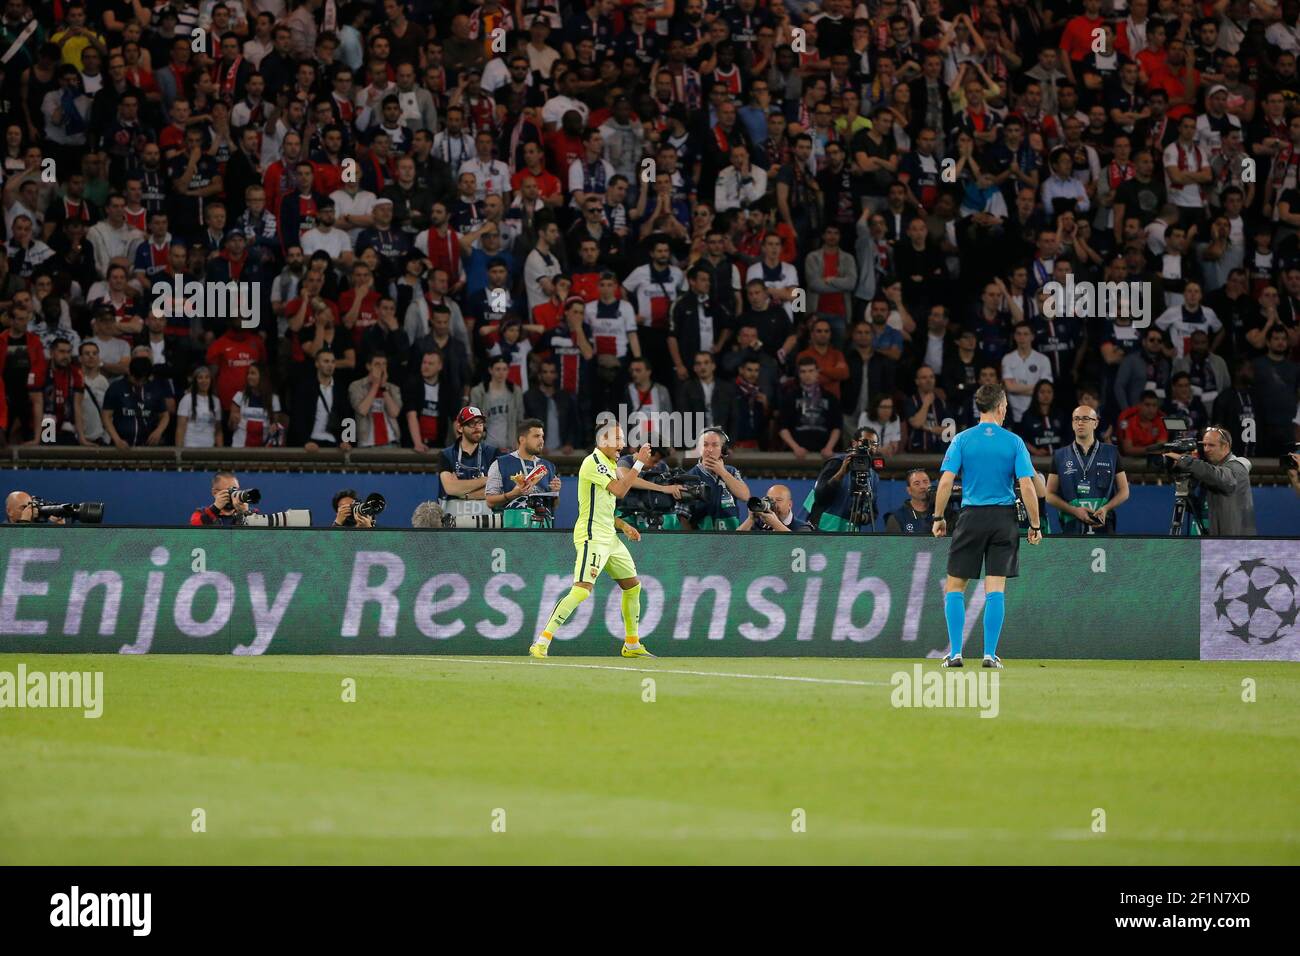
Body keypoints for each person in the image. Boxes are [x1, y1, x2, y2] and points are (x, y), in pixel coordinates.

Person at [931, 384, 1042, 670]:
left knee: (955, 586)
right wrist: (1035, 523)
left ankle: (955, 653)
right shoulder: (1014, 441)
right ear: (1001, 406)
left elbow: (945, 482)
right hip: (1003, 519)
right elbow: (1027, 485)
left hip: (971, 517)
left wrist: (938, 517)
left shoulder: (962, 440)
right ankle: (989, 656)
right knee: (996, 588)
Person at [529, 422, 655, 660]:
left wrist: (623, 525)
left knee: (632, 586)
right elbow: (620, 490)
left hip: (609, 534)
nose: (621, 444)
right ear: (602, 441)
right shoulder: (592, 462)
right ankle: (542, 642)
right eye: (617, 439)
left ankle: (631, 643)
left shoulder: (610, 463)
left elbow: (605, 505)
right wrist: (638, 462)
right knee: (582, 590)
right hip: (592, 536)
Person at [1047, 406, 1129, 535]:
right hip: (1071, 525)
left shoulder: (1111, 452)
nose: (1080, 422)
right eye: (1076, 419)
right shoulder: (1060, 455)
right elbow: (1049, 495)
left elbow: (1124, 491)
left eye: (1085, 419)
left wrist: (1106, 508)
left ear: (1095, 423)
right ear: (1072, 424)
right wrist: (1074, 510)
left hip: (1103, 523)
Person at [1163, 427, 1258, 535]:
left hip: (1233, 542)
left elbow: (1224, 480)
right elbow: (1198, 507)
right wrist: (1180, 478)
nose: (1206, 449)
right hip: (1207, 536)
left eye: (1211, 445)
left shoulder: (1237, 466)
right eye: (1204, 445)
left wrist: (1185, 461)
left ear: (1225, 446)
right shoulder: (1209, 470)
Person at [484, 418, 562, 527]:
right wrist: (513, 494)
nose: (542, 441)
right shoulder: (500, 464)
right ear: (522, 439)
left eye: (542, 436)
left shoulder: (548, 467)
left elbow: (554, 505)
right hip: (512, 532)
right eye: (536, 436)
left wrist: (556, 493)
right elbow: (490, 501)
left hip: (543, 532)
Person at [673, 426, 751, 531]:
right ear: (699, 449)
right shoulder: (690, 477)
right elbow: (682, 517)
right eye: (705, 445)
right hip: (703, 542)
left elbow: (745, 496)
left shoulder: (731, 471)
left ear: (723, 449)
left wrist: (723, 472)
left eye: (715, 445)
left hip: (732, 540)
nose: (710, 449)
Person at [804, 426, 882, 532]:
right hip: (822, 530)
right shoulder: (836, 462)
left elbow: (873, 511)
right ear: (854, 443)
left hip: (849, 534)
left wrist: (862, 517)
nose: (869, 446)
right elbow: (820, 497)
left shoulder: (874, 476)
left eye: (874, 444)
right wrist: (841, 473)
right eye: (865, 442)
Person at [738, 482, 810, 532]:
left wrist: (775, 524)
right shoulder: (759, 525)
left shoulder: (802, 527)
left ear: (790, 504)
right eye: (770, 500)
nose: (773, 504)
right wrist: (750, 519)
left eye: (778, 500)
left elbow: (800, 545)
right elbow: (733, 544)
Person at [885, 469, 936, 534]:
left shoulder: (940, 513)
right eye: (917, 484)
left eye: (925, 482)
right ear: (909, 490)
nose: (922, 486)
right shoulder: (897, 517)